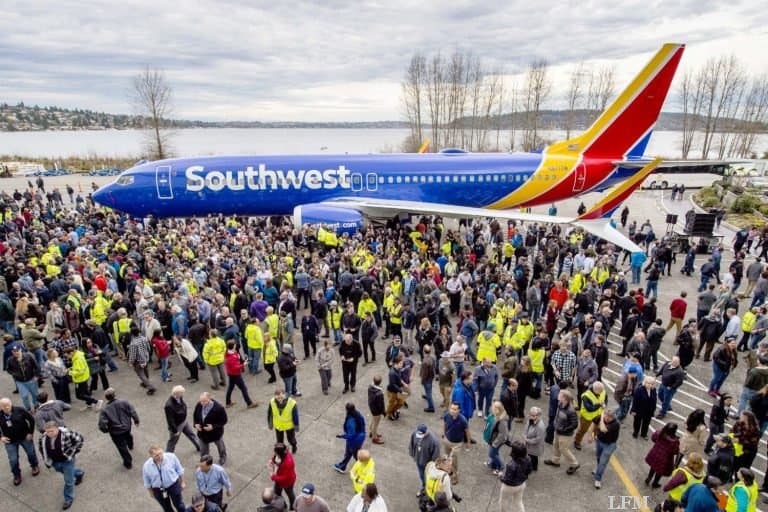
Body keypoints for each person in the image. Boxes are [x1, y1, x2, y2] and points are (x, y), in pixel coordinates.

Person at [39, 421, 84, 510]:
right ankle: (79, 473)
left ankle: (68, 498)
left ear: (57, 429)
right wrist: (47, 461)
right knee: (65, 472)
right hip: (55, 462)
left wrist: (74, 451)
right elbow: (41, 449)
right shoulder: (43, 438)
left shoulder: (66, 433)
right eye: (47, 431)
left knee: (68, 481)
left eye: (51, 431)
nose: (49, 433)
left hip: (67, 460)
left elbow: (80, 439)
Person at [0, 397, 39, 486]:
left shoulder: (19, 410)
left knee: (31, 453)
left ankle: (34, 466)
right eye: (3, 406)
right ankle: (16, 475)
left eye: (8, 405)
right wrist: (1, 437)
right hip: (10, 441)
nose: (6, 407)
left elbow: (31, 420)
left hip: (24, 437)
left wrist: (30, 433)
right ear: (1, 407)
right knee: (13, 459)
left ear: (11, 404)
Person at [97, 387, 140, 469]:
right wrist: (136, 420)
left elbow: (102, 425)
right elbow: (132, 411)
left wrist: (107, 430)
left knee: (122, 447)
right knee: (128, 435)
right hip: (127, 426)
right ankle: (130, 444)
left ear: (106, 398)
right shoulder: (124, 402)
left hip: (116, 432)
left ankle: (128, 463)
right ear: (114, 395)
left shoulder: (105, 410)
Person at [142, 444, 187, 512]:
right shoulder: (146, 466)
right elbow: (147, 481)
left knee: (179, 505)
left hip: (173, 485)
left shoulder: (171, 457)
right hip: (158, 490)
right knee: (166, 508)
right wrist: (151, 492)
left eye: (160, 453)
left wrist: (182, 482)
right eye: (156, 455)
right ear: (151, 456)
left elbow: (179, 470)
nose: (159, 456)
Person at [544, 389, 579, 474]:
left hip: (565, 434)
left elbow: (575, 424)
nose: (558, 395)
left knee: (563, 449)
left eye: (560, 394)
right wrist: (555, 424)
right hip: (558, 430)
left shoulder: (571, 411)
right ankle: (555, 461)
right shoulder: (560, 404)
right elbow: (558, 414)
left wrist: (563, 430)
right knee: (555, 445)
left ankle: (575, 464)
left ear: (564, 398)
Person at [193, 392, 228, 466]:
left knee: (220, 446)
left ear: (209, 399)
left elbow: (224, 420)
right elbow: (195, 415)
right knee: (203, 450)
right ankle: (204, 462)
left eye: (204, 401)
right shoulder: (199, 405)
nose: (202, 403)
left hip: (215, 433)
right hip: (203, 433)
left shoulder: (219, 408)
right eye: (201, 401)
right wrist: (195, 424)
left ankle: (223, 457)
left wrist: (213, 427)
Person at [165, 385, 201, 453]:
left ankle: (199, 446)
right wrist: (175, 431)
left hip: (183, 421)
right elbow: (170, 420)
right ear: (177, 394)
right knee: (173, 441)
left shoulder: (179, 397)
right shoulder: (169, 405)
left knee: (191, 434)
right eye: (181, 393)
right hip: (177, 426)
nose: (183, 394)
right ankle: (168, 455)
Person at [498, 440, 532, 512]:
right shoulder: (528, 458)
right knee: (518, 501)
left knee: (503, 500)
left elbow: (507, 480)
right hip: (521, 484)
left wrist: (500, 476)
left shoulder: (511, 465)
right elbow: (529, 470)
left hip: (509, 487)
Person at [333, 402, 366, 473]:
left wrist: (341, 436)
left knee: (356, 456)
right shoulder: (358, 414)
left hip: (353, 441)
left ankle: (364, 469)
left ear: (347, 410)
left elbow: (351, 435)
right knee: (349, 453)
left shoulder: (351, 421)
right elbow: (363, 424)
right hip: (360, 438)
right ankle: (342, 466)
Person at [224, 341, 258, 409]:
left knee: (231, 388)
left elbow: (238, 359)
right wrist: (243, 365)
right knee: (243, 388)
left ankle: (228, 402)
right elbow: (235, 367)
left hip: (232, 374)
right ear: (233, 346)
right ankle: (249, 403)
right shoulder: (231, 357)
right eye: (235, 344)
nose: (236, 345)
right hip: (235, 375)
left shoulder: (233, 352)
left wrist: (244, 361)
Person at [408, 423, 440, 496]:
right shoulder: (414, 434)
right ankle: (424, 488)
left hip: (428, 464)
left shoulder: (433, 441)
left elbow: (436, 454)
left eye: (421, 434)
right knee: (422, 476)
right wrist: (413, 455)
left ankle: (428, 491)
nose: (419, 436)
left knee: (429, 478)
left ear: (426, 432)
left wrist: (432, 465)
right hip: (419, 461)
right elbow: (411, 444)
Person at [644, 422, 680, 488]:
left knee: (653, 467)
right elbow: (675, 451)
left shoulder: (659, 433)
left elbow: (653, 438)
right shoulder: (674, 441)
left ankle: (649, 478)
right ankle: (655, 483)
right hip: (665, 459)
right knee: (660, 471)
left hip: (655, 453)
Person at [442, 402, 470, 485]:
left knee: (454, 461)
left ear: (459, 410)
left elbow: (467, 432)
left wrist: (468, 443)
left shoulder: (463, 420)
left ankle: (455, 477)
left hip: (457, 444)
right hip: (447, 440)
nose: (452, 411)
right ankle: (447, 472)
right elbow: (445, 424)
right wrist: (444, 434)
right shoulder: (447, 415)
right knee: (446, 458)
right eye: (451, 408)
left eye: (455, 409)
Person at [7, 345, 40, 411]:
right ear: (12, 352)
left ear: (21, 350)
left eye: (17, 351)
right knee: (24, 396)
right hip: (20, 381)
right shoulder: (10, 360)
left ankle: (36, 406)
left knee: (35, 394)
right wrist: (14, 374)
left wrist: (36, 376)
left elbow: (36, 366)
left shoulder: (29, 356)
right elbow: (8, 369)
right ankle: (28, 408)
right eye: (14, 351)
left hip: (31, 379)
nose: (16, 352)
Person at [128, 325, 157, 395]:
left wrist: (131, 362)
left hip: (139, 361)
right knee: (146, 371)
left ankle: (151, 387)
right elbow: (149, 348)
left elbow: (133, 354)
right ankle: (146, 383)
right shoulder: (144, 338)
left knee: (141, 374)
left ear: (131, 334)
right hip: (146, 358)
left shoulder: (133, 343)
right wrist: (147, 355)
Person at [268, 389, 299, 454]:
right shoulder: (272, 402)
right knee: (279, 441)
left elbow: (295, 415)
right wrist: (270, 424)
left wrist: (296, 425)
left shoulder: (292, 403)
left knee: (291, 439)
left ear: (285, 395)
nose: (280, 399)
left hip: (289, 426)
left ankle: (294, 446)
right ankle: (281, 451)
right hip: (278, 425)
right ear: (275, 397)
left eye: (281, 397)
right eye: (278, 398)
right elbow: (270, 413)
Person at [269, 443, 296, 511]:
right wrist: (272, 461)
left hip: (287, 482)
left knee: (290, 494)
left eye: (275, 452)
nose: (274, 453)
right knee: (277, 494)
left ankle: (293, 506)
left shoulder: (288, 463)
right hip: (279, 480)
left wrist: (273, 476)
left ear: (280, 453)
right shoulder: (280, 454)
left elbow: (285, 477)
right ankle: (283, 505)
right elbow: (275, 457)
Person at [524, 406, 546, 471]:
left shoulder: (540, 426)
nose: (531, 416)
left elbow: (538, 439)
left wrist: (527, 440)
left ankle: (534, 468)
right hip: (529, 443)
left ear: (538, 416)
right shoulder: (530, 420)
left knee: (533, 457)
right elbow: (526, 428)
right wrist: (524, 435)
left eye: (533, 415)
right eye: (530, 414)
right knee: (530, 455)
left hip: (535, 446)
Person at [367, 375, 385, 444]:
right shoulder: (379, 393)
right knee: (376, 423)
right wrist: (383, 412)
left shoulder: (370, 387)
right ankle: (375, 438)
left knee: (373, 419)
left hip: (371, 406)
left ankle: (371, 432)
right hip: (376, 410)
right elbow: (381, 404)